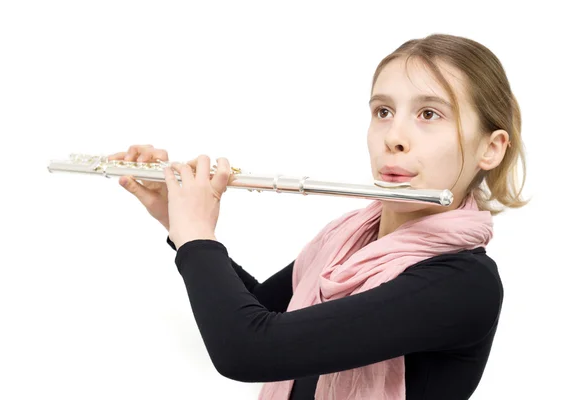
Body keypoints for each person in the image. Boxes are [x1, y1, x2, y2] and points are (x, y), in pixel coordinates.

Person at [108, 33, 528, 400]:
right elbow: (256, 312)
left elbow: (248, 349)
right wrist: (177, 222)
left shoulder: (462, 283)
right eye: (383, 111)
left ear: (490, 148)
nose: (394, 138)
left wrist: (198, 235)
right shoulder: (346, 239)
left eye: (429, 114)